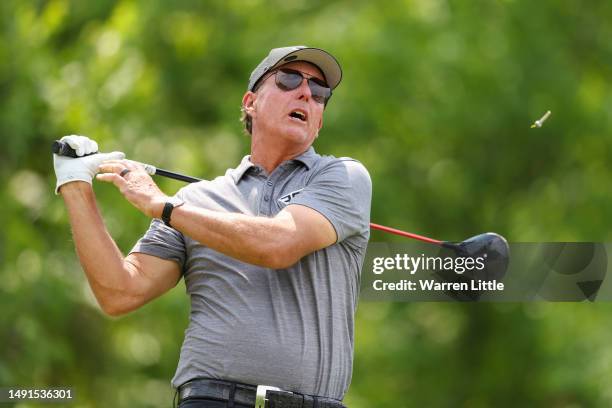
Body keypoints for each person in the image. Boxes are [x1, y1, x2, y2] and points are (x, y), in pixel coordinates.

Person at [53, 46, 372, 408]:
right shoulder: (198, 200)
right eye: (288, 79)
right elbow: (119, 292)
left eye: (319, 93)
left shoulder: (344, 176)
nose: (305, 93)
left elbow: (279, 245)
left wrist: (164, 206)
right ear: (250, 102)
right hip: (210, 399)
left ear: (320, 121)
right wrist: (76, 188)